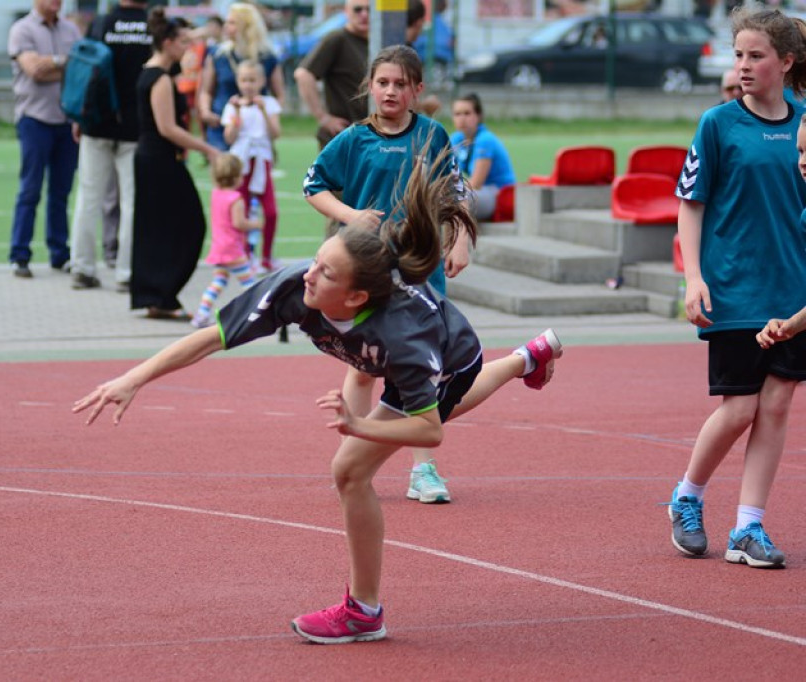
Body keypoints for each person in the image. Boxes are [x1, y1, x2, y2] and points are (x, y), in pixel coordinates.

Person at [74, 147, 564, 644]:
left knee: (353, 468)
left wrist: (360, 427)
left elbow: (428, 430)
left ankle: (364, 612)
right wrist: (133, 378)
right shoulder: (294, 288)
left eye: (327, 274)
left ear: (355, 298)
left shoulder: (405, 336)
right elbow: (211, 337)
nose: (310, 274)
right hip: (381, 358)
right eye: (316, 262)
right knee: (359, 438)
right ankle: (529, 357)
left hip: (450, 358)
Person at [303, 45, 473, 503]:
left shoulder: (433, 135)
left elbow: (456, 192)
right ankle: (352, 458)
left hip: (419, 267)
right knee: (362, 371)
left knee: (418, 368)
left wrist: (460, 241)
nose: (391, 91)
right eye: (383, 83)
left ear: (417, 90)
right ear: (370, 88)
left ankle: (423, 470)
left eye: (401, 84)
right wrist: (351, 214)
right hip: (365, 269)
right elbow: (312, 185)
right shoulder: (354, 139)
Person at [669, 6, 806, 570]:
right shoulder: (718, 124)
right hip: (732, 288)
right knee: (740, 406)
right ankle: (687, 496)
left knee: (776, 405)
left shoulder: (804, 122)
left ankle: (749, 527)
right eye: (738, 55)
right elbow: (690, 204)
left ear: (786, 62)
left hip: (791, 290)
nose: (743, 66)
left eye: (756, 56)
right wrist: (694, 277)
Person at [130, 8, 219, 320]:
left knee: (157, 228)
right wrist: (209, 149)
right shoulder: (160, 79)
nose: (187, 48)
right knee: (190, 224)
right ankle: (161, 294)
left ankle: (157, 296)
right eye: (182, 43)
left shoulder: (151, 70)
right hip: (159, 158)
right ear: (167, 43)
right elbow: (167, 127)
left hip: (153, 157)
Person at [67, 0, 151, 293]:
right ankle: (126, 274)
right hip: (136, 126)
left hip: (96, 122)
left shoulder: (101, 22)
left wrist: (79, 117)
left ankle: (82, 268)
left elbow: (82, 71)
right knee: (132, 203)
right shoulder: (152, 25)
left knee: (88, 198)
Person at [6, 0, 82, 279]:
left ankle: (59, 254)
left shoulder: (71, 30)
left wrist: (52, 63)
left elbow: (83, 69)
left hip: (66, 121)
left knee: (61, 193)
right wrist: (65, 62)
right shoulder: (21, 30)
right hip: (34, 120)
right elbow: (34, 70)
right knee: (30, 190)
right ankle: (20, 254)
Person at [294, 0, 369, 238]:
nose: (364, 14)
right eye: (358, 9)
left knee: (367, 207)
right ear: (346, 12)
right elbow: (303, 73)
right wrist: (322, 117)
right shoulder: (337, 39)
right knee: (341, 210)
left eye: (369, 9)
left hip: (369, 140)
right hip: (341, 139)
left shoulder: (377, 41)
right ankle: (332, 267)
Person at [198, 2, 284, 152]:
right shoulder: (218, 54)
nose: (226, 26)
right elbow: (206, 90)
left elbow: (279, 94)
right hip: (222, 124)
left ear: (246, 26)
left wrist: (270, 115)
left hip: (256, 131)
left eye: (232, 23)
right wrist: (206, 112)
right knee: (225, 171)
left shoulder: (267, 57)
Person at [190, 152, 263, 328]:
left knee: (218, 282)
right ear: (237, 177)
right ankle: (258, 315)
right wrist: (256, 224)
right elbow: (239, 223)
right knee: (250, 284)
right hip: (233, 250)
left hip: (219, 248)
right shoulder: (236, 199)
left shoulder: (216, 194)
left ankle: (201, 314)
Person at [221, 59, 281, 272]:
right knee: (241, 209)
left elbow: (275, 133)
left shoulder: (269, 103)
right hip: (241, 162)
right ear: (238, 81)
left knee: (271, 211)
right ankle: (244, 254)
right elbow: (229, 137)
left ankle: (266, 256)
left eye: (252, 80)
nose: (248, 85)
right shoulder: (232, 105)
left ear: (262, 81)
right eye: (244, 80)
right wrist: (236, 113)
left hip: (261, 160)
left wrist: (263, 110)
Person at [449, 93, 516, 221]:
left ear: (478, 116)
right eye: (457, 114)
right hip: (479, 192)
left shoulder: (485, 140)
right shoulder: (456, 139)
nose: (462, 119)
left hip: (500, 194)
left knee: (454, 200)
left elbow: (476, 183)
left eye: (467, 113)